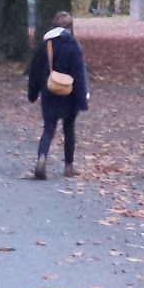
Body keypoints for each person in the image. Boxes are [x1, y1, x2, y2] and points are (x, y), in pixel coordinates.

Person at [26, 11, 89, 180]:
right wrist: (82, 99)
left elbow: (35, 71)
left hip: (49, 91)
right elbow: (80, 74)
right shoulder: (74, 46)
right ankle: (68, 166)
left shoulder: (45, 45)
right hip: (69, 93)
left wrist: (32, 93)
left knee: (48, 128)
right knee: (69, 128)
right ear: (70, 27)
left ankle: (42, 159)